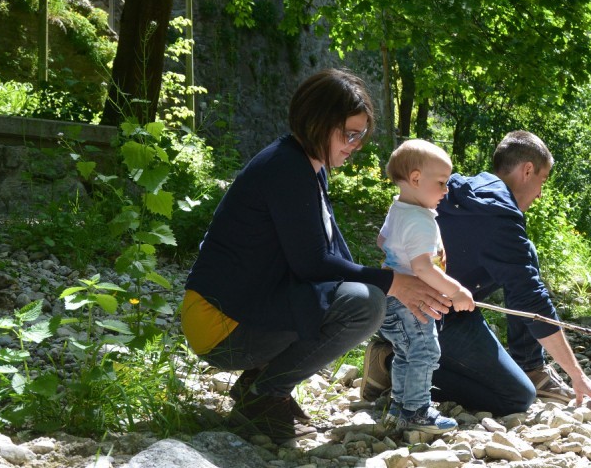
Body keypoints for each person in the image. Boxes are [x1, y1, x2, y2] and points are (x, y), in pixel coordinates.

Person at [180, 68, 450, 443]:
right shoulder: (285, 169)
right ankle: (263, 397)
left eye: (361, 136)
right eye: (349, 134)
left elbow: (329, 253)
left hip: (237, 311)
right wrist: (392, 283)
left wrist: (398, 266)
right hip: (219, 324)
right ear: (318, 121)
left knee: (361, 296)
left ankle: (257, 389)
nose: (355, 144)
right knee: (366, 304)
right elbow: (313, 264)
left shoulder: (307, 167)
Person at [429, 130, 591, 416]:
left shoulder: (472, 190)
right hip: (432, 319)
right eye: (543, 180)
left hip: (427, 308)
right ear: (528, 170)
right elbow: (532, 300)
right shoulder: (499, 212)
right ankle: (393, 365)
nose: (540, 193)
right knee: (515, 397)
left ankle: (532, 367)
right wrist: (578, 375)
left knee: (526, 252)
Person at [375, 139, 475, 434]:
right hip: (410, 302)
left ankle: (399, 409)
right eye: (442, 183)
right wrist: (456, 291)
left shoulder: (399, 208)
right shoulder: (420, 220)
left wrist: (400, 255)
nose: (446, 190)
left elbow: (382, 241)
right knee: (425, 351)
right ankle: (418, 410)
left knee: (406, 352)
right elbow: (422, 268)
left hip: (390, 298)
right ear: (416, 178)